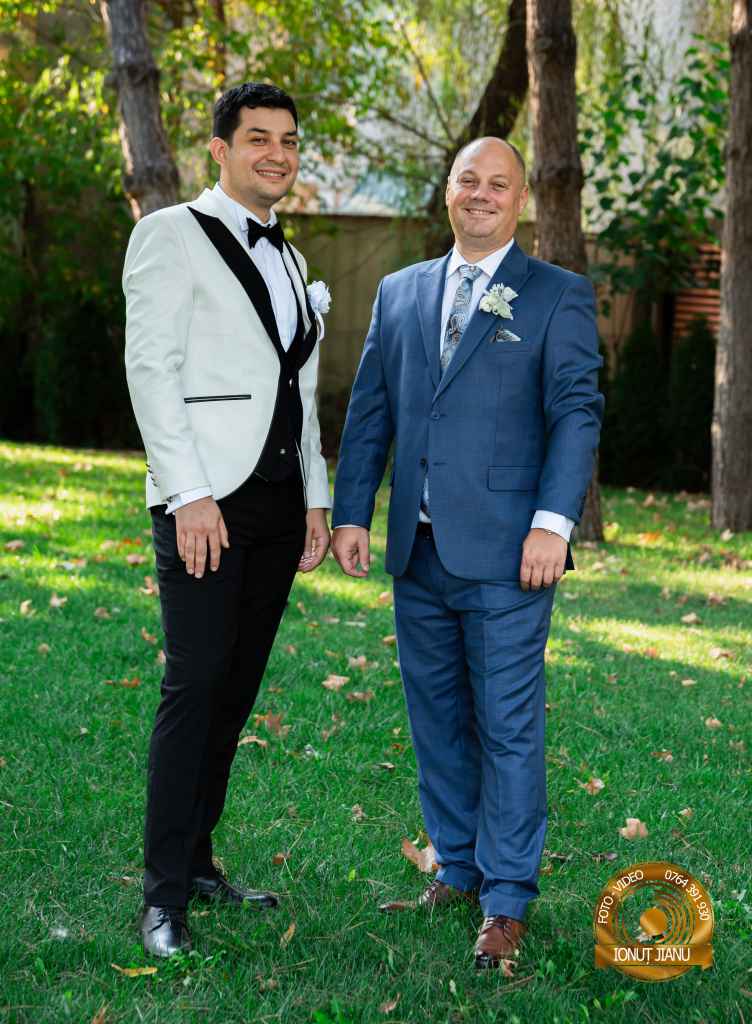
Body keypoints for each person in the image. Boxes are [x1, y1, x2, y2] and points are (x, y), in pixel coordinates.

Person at [331, 137, 603, 969]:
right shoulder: (400, 291)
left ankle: (507, 897)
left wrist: (552, 525)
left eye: (498, 184)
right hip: (416, 552)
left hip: (510, 553)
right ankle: (457, 866)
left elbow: (576, 413)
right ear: (448, 191)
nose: (481, 194)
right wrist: (353, 513)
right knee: (437, 719)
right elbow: (371, 409)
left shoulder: (557, 295)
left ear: (520, 200)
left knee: (508, 727)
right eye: (468, 180)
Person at [123, 82, 331, 958]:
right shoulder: (169, 233)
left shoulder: (292, 256)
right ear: (221, 149)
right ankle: (162, 897)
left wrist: (316, 495)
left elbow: (300, 387)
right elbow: (150, 368)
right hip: (205, 500)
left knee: (236, 690)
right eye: (258, 138)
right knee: (195, 684)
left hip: (279, 505)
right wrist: (188, 493)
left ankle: (200, 861)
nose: (277, 154)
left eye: (288, 140)